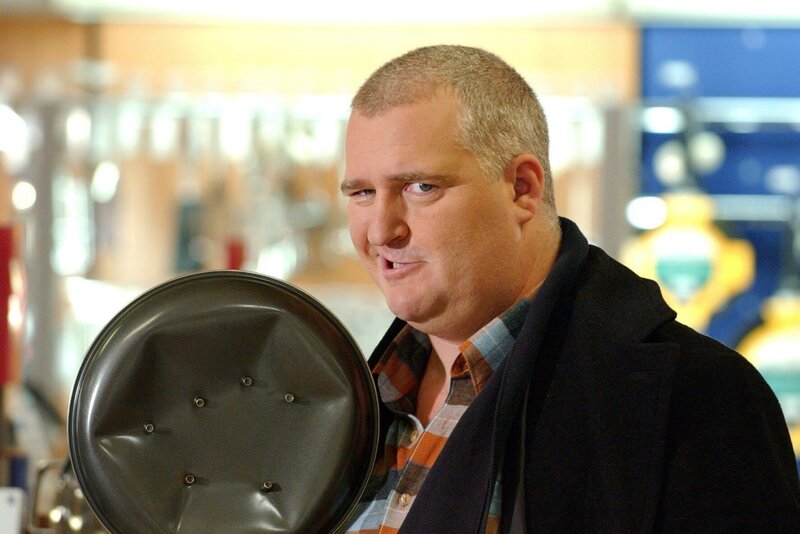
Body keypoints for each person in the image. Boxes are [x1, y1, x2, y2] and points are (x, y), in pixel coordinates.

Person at [339, 44, 800, 533]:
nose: (380, 231)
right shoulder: (340, 401)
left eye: (420, 188)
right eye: (362, 193)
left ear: (522, 189)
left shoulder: (699, 400)